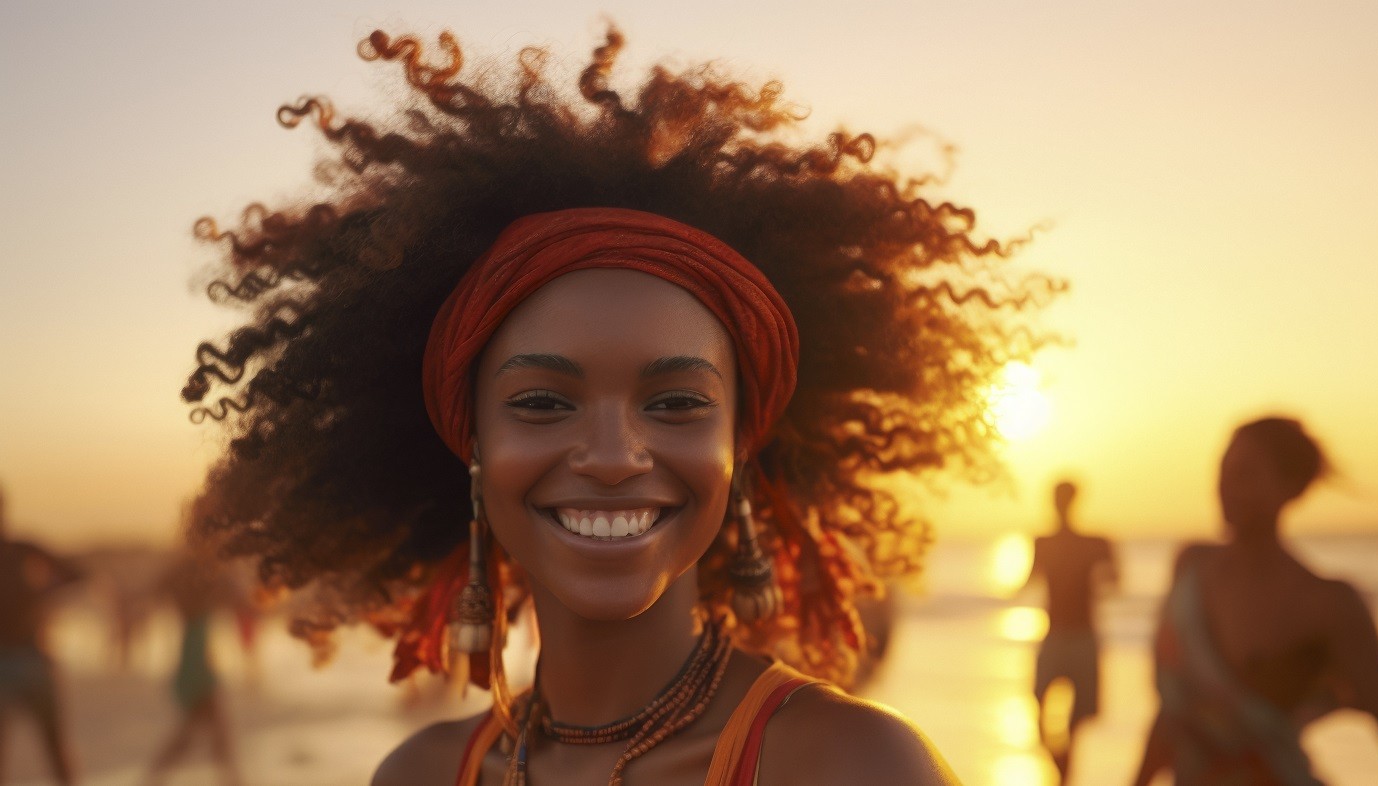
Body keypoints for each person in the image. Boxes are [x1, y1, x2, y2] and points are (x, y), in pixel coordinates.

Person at [180, 27, 1053, 785]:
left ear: (740, 447)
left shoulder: (854, 768)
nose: (610, 453)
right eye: (541, 402)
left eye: (675, 402)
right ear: (471, 445)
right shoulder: (417, 775)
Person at [1131, 417, 1378, 785]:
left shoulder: (1325, 604)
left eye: (1244, 474)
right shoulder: (1191, 566)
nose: (1225, 487)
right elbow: (1173, 714)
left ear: (1289, 487)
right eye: (1222, 471)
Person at [1020, 480, 1117, 782]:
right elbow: (1029, 580)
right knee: (1037, 703)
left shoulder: (1095, 542)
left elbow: (1115, 580)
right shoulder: (1043, 542)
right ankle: (1058, 762)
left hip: (1084, 636)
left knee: (1077, 720)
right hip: (1055, 634)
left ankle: (1064, 777)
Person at [0, 482, 83, 786]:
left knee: (55, 749)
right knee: (54, 750)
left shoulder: (24, 550)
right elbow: (77, 575)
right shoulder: (23, 550)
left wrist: (44, 595)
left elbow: (77, 574)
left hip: (31, 659)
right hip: (25, 661)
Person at [144, 546, 245, 786]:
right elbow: (235, 594)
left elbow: (157, 588)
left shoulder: (186, 588)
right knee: (207, 729)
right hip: (196, 667)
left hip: (191, 665)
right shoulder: (200, 590)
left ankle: (156, 777)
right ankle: (230, 780)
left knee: (200, 730)